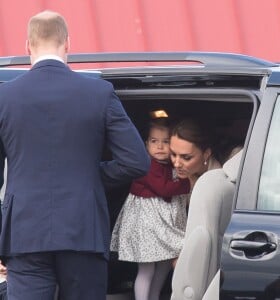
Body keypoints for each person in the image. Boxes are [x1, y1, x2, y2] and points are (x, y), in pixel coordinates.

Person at [0, 10, 150, 300]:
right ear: (68, 43)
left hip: (23, 234)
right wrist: (92, 176)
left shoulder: (5, 97)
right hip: (84, 230)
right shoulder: (99, 93)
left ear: (27, 46)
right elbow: (136, 161)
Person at [110, 117, 190, 300]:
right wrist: (186, 184)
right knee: (146, 269)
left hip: (161, 227)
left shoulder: (169, 165)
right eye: (154, 141)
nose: (160, 147)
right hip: (146, 226)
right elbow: (164, 189)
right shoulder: (146, 164)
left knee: (163, 265)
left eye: (166, 142)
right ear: (146, 144)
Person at [169, 118, 221, 189]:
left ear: (206, 154)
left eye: (186, 158)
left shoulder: (218, 184)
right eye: (173, 154)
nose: (177, 164)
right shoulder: (168, 172)